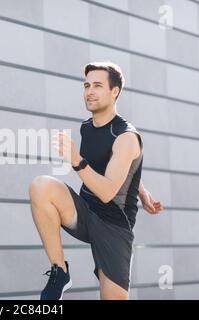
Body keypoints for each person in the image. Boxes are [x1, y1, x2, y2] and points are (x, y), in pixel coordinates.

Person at [28, 61, 163, 300]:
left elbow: (109, 192)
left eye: (98, 86)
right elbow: (111, 165)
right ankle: (60, 272)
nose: (90, 91)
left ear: (115, 92)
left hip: (114, 226)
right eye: (87, 85)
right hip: (86, 212)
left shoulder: (126, 137)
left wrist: (76, 160)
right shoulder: (87, 127)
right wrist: (141, 190)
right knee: (41, 186)